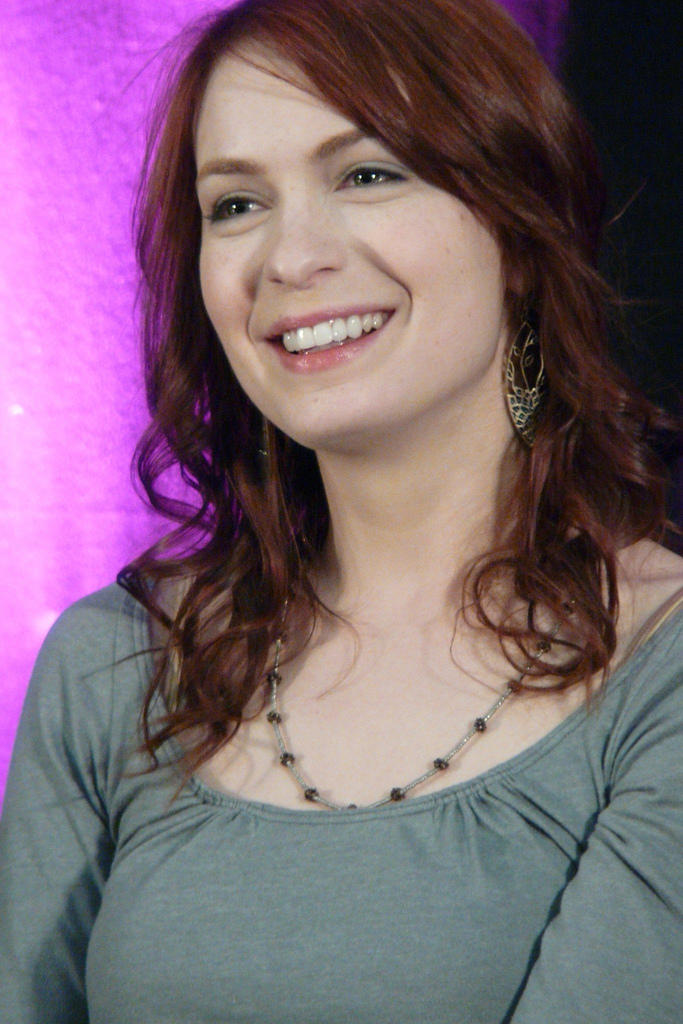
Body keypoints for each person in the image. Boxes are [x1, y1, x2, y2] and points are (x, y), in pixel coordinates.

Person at [1, 0, 681, 1021]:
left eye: (365, 175)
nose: (288, 257)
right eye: (236, 204)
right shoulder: (112, 665)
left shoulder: (662, 665)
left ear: (518, 228)